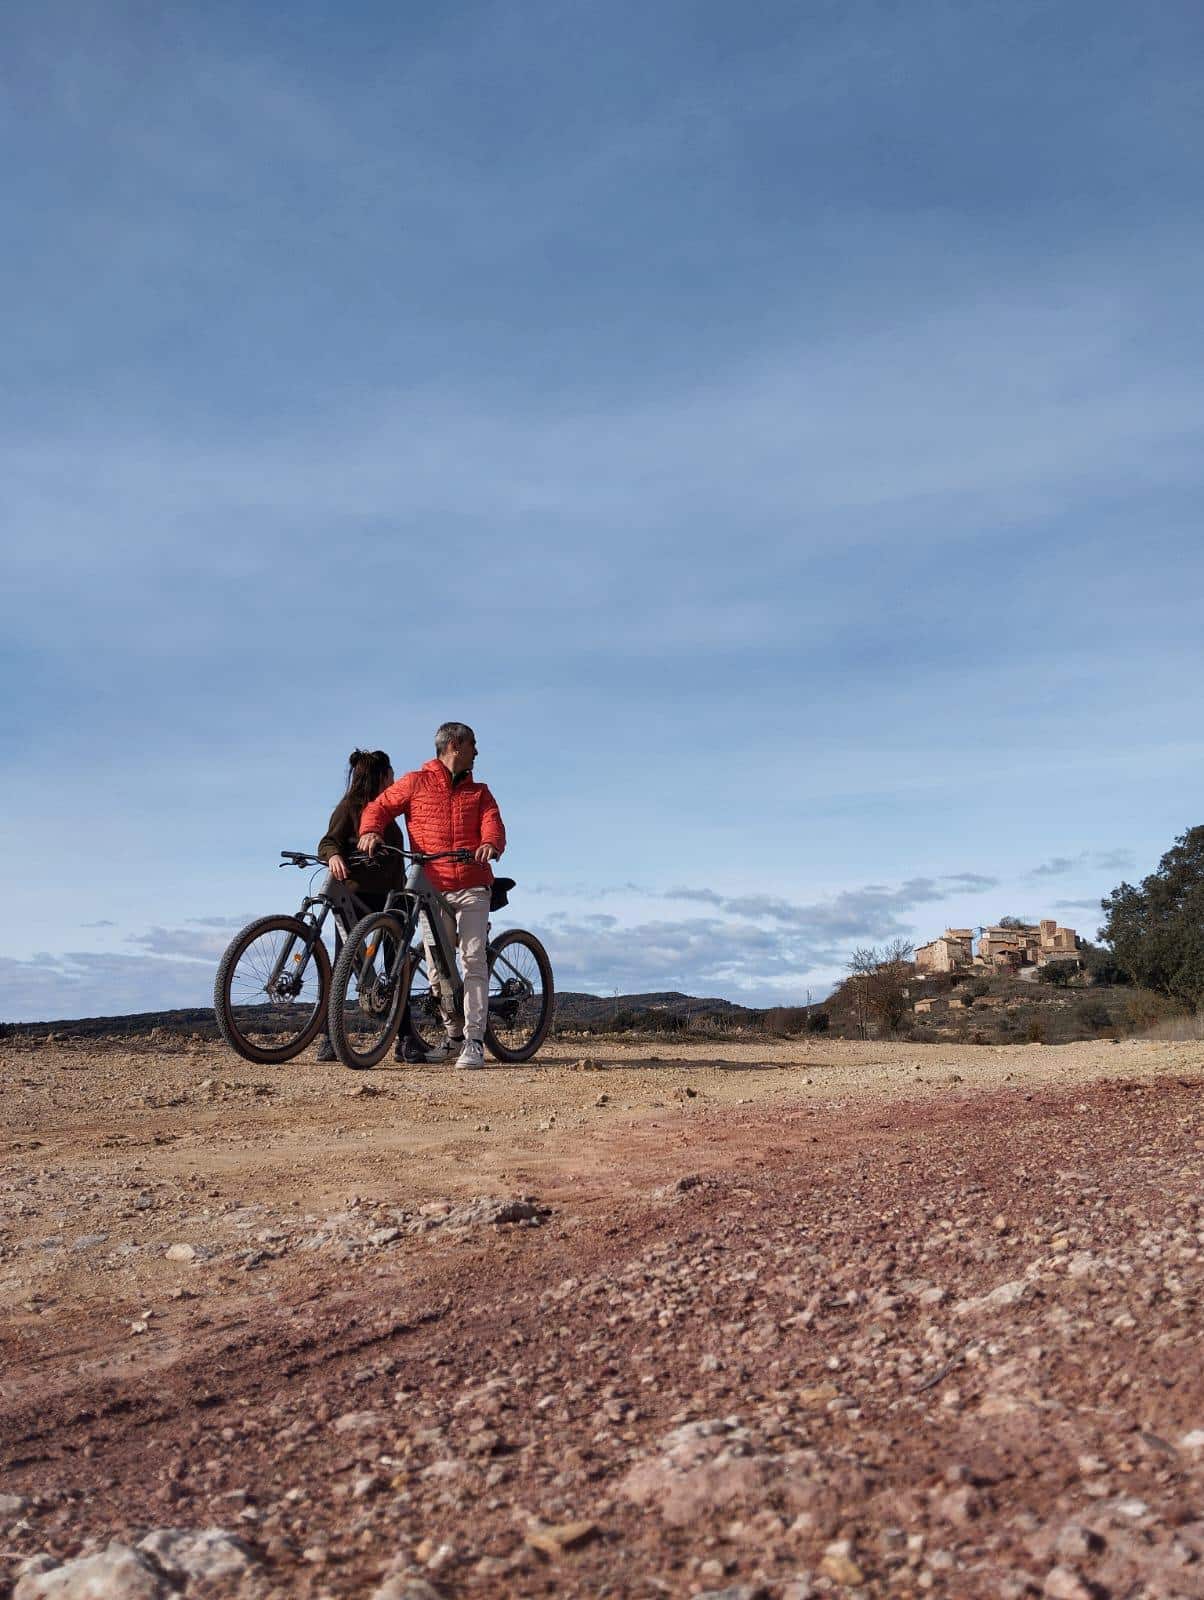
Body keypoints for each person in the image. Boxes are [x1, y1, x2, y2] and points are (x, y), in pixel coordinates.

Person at [357, 721, 505, 1070]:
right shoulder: (414, 782)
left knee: (472, 960)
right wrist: (370, 831)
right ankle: (454, 1036)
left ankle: (474, 1041)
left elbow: (493, 823)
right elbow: (378, 807)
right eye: (473, 745)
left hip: (471, 884)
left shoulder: (480, 792)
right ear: (454, 746)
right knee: (439, 969)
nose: (477, 752)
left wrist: (489, 843)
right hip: (433, 887)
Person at [315, 748, 423, 1064]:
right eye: (390, 774)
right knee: (342, 969)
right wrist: (333, 856)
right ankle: (330, 1039)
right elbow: (328, 841)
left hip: (393, 898)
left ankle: (405, 1039)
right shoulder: (349, 808)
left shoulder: (389, 810)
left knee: (396, 969)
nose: (394, 778)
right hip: (357, 900)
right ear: (379, 776)